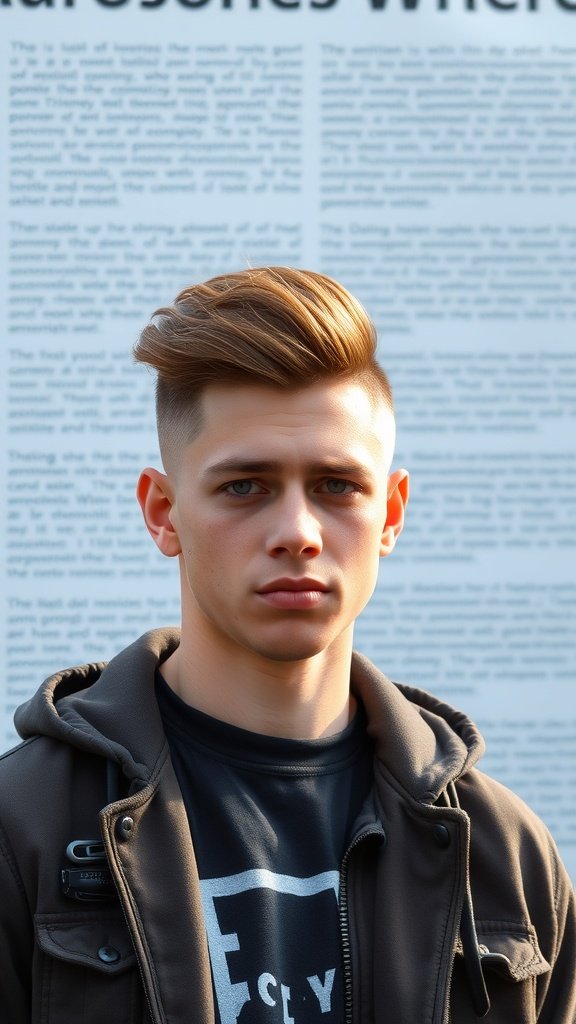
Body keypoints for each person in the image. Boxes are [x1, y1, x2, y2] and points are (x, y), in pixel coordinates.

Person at [0, 267, 573, 1024]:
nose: (299, 534)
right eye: (246, 487)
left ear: (391, 514)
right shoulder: (24, 829)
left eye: (337, 486)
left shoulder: (506, 856)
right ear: (164, 512)